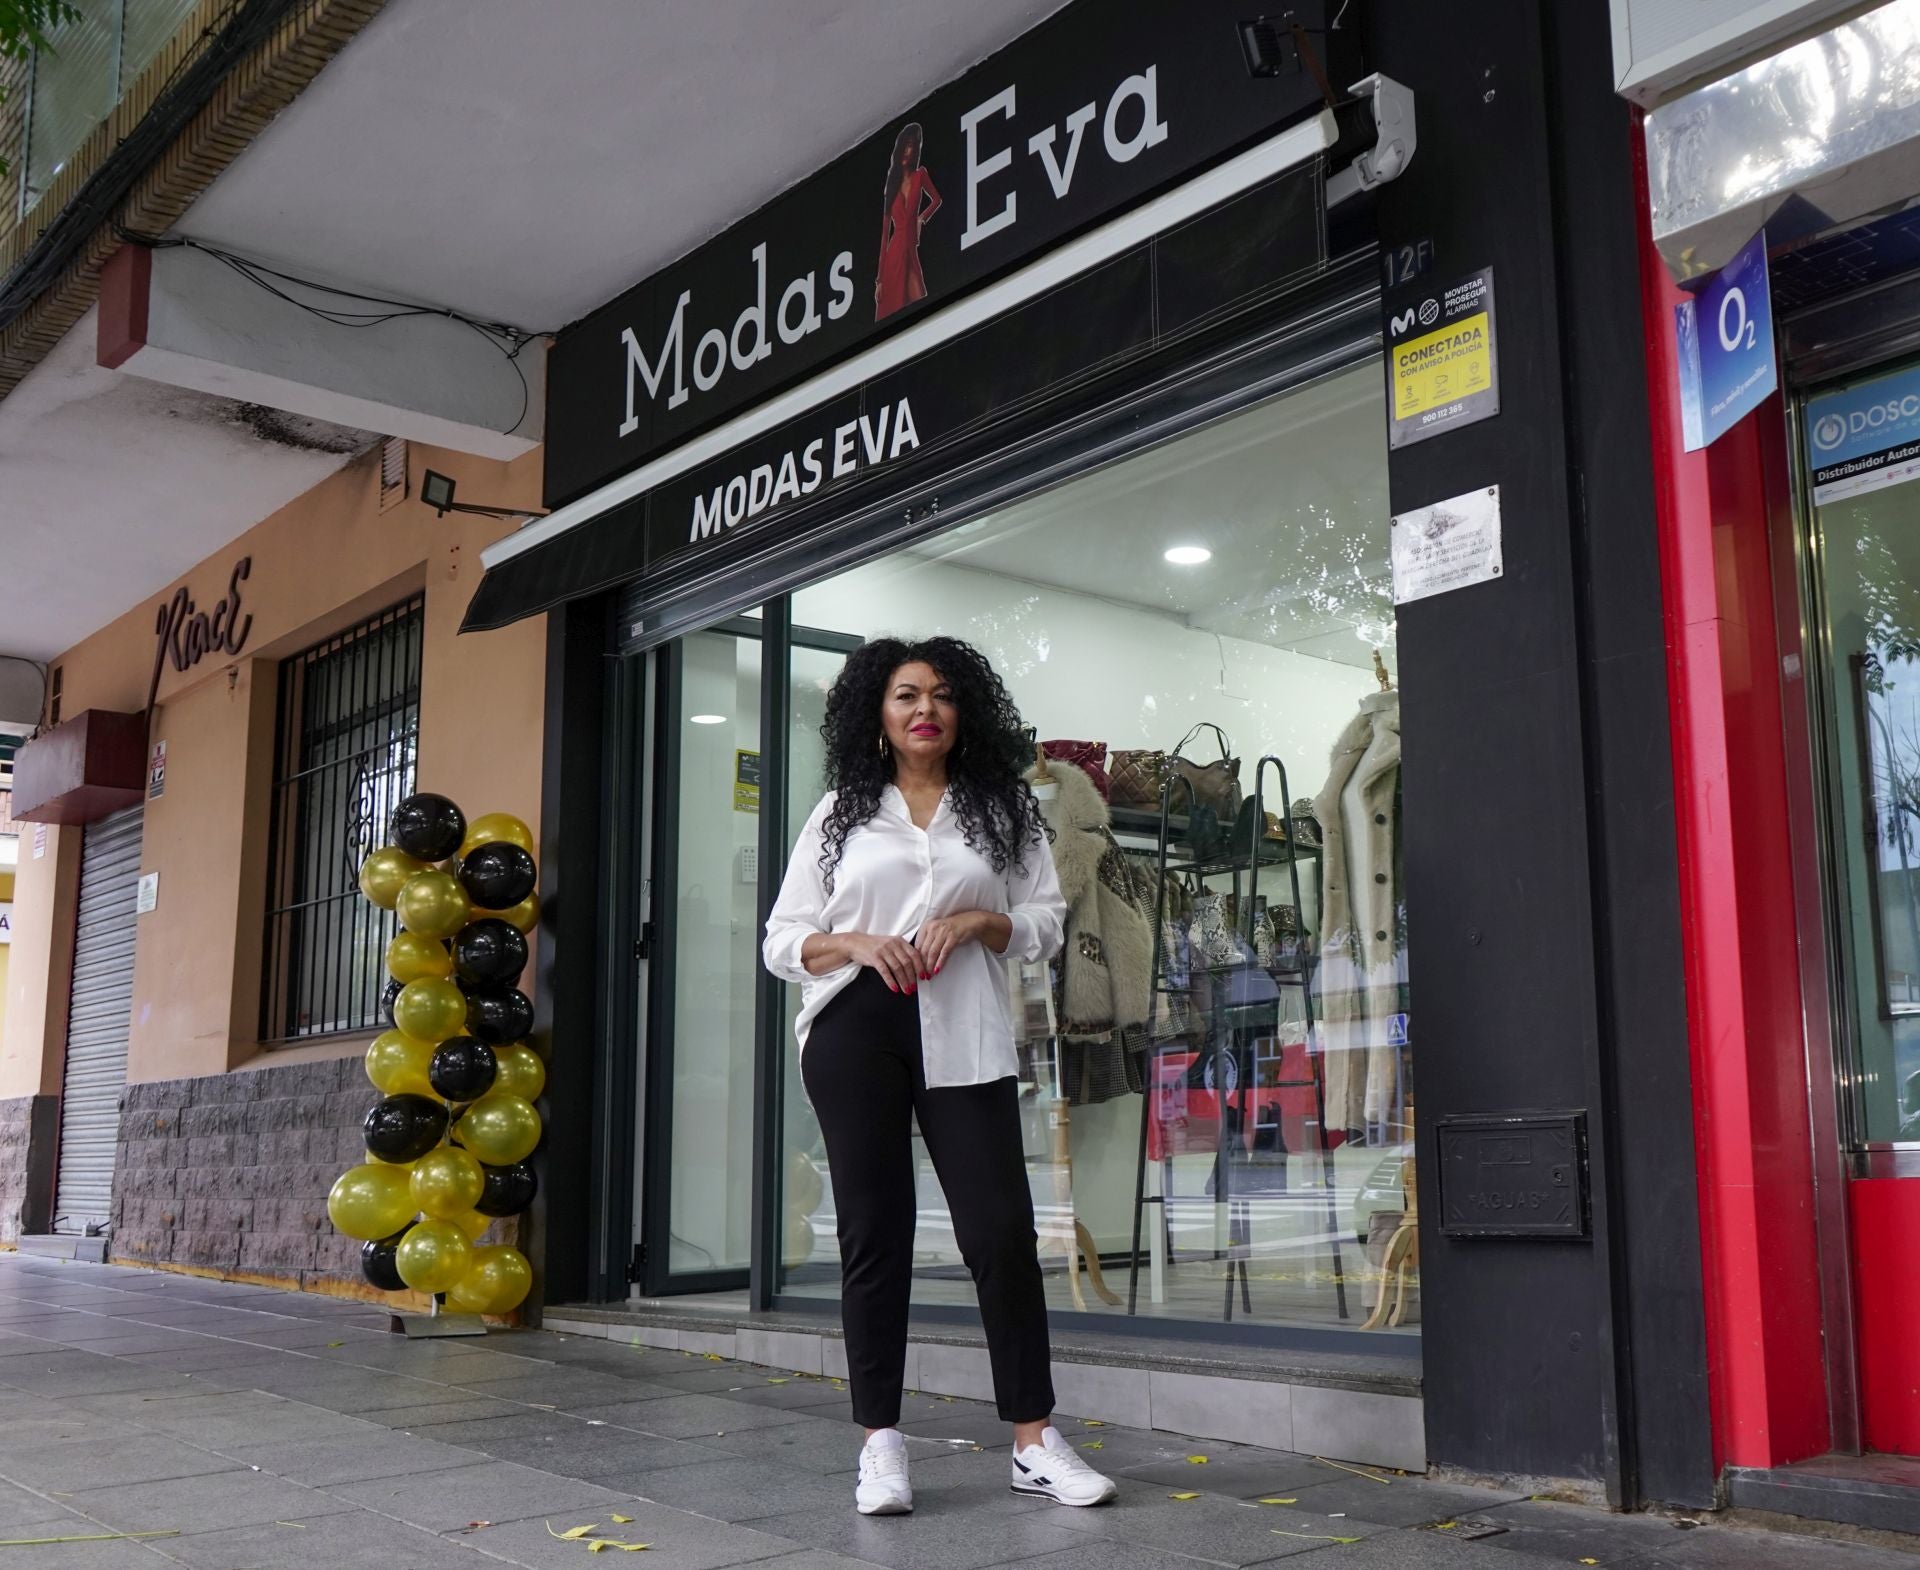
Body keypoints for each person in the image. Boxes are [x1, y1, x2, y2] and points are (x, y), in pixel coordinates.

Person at [764, 636, 1119, 1515]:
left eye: (943, 695)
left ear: (965, 715)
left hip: (965, 1029)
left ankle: (1033, 1443)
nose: (926, 708)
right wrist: (854, 942)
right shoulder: (840, 814)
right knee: (874, 1235)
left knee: (1000, 1233)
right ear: (878, 715)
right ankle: (880, 1445)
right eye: (906, 694)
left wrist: (978, 924)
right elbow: (782, 941)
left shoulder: (1003, 811)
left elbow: (1045, 918)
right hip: (855, 1027)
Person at [874, 121, 941, 320]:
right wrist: (879, 280)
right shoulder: (891, 184)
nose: (907, 150)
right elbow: (885, 234)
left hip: (910, 249)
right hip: (894, 254)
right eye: (905, 145)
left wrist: (921, 218)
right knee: (891, 315)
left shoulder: (920, 175)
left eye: (911, 146)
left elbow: (936, 199)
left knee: (922, 304)